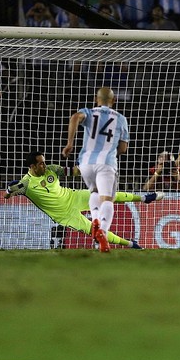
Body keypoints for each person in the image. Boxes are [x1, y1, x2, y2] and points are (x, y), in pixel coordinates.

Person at [3, 151, 164, 249]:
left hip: (73, 196)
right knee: (96, 232)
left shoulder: (52, 169)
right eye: (41, 164)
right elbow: (7, 195)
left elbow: (73, 172)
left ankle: (144, 198)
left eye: (44, 162)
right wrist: (10, 190)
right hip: (64, 215)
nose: (45, 165)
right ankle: (131, 244)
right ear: (32, 166)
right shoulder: (24, 184)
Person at [62, 87, 130, 253]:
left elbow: (75, 117)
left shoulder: (89, 112)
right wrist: (114, 151)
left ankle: (96, 219)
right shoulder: (120, 119)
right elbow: (123, 147)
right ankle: (103, 234)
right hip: (106, 163)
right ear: (114, 101)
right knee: (107, 199)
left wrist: (70, 143)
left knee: (94, 192)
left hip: (85, 163)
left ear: (95, 99)